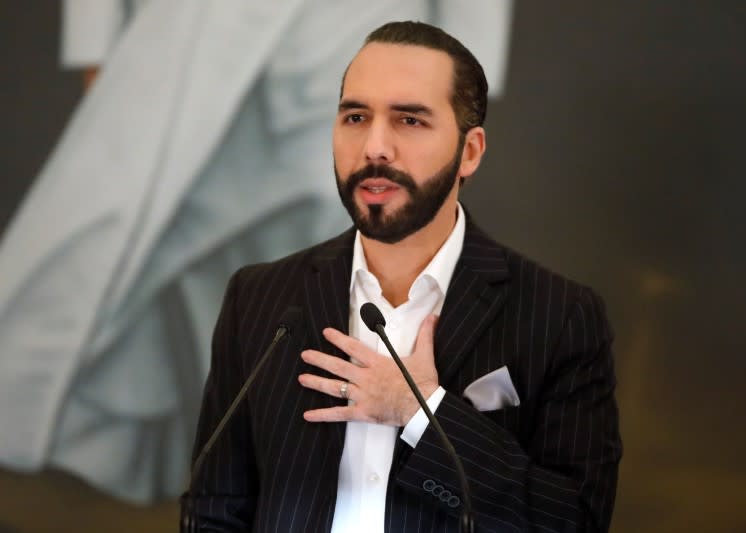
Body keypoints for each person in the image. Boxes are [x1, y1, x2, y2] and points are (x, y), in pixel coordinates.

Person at [0, 1, 513, 503]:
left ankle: (338, 478)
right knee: (162, 258)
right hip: (195, 36)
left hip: (359, 32)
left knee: (350, 270)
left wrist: (470, 72)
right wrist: (96, 40)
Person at [187, 21, 621, 533]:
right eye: (355, 116)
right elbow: (215, 506)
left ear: (470, 151)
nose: (374, 147)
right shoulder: (259, 299)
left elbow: (574, 520)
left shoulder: (561, 316)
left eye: (409, 120)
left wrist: (424, 414)